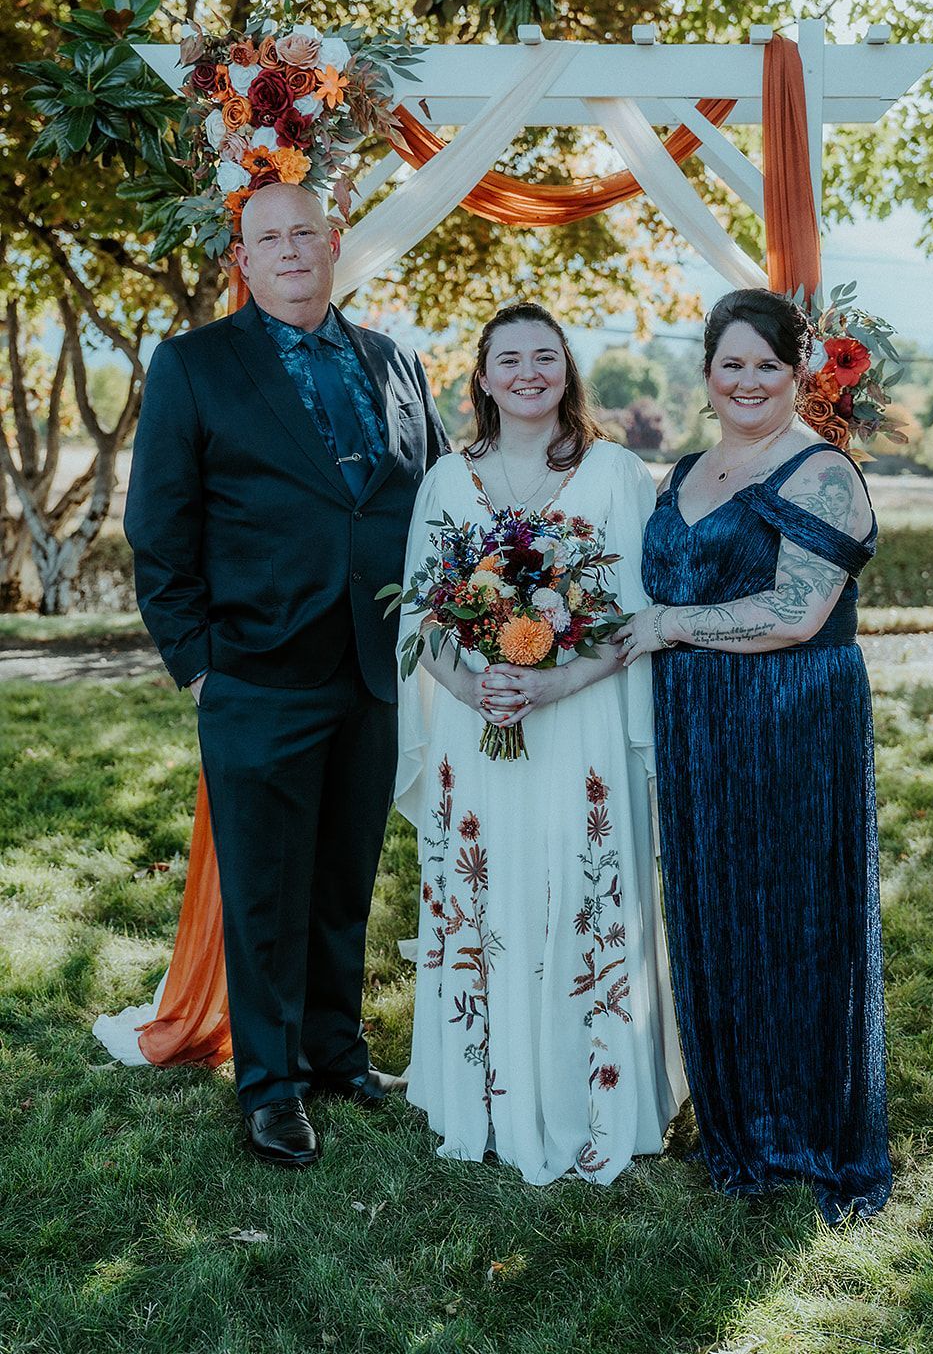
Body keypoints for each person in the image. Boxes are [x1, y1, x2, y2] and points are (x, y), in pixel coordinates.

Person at [122, 182, 448, 1168]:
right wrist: (200, 663)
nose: (292, 249)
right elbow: (158, 523)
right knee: (264, 889)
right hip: (255, 671)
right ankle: (270, 1089)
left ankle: (334, 1049)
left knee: (343, 878)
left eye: (306, 231)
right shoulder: (193, 365)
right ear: (245, 260)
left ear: (334, 243)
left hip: (370, 665)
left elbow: (427, 489)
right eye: (270, 237)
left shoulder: (392, 359)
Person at [614, 287, 892, 1223]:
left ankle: (811, 1130)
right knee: (716, 908)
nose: (746, 380)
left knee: (794, 912)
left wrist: (663, 625)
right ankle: (738, 1122)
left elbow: (794, 613)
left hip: (791, 716)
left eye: (766, 365)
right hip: (695, 718)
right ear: (705, 373)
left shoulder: (821, 472)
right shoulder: (683, 471)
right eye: (729, 364)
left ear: (798, 371)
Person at [395, 302, 685, 1184]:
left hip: (581, 719)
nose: (528, 372)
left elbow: (635, 616)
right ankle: (483, 1097)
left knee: (576, 884)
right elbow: (420, 611)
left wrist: (552, 680)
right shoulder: (448, 480)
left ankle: (590, 1094)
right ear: (479, 377)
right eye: (508, 358)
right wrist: (474, 685)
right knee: (494, 894)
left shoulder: (614, 473)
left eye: (545, 357)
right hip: (479, 729)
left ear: (567, 372)